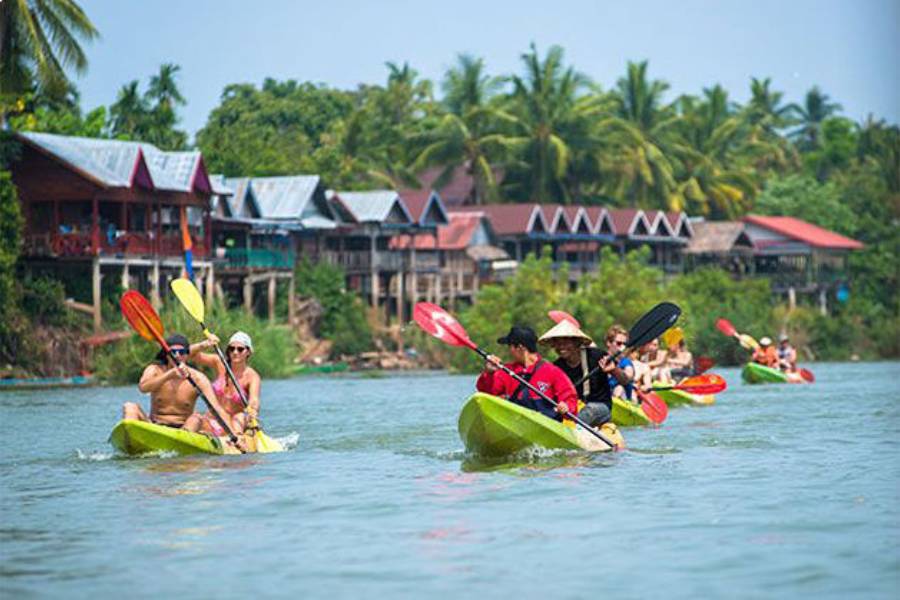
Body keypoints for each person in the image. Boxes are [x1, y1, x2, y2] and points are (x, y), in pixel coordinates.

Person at [122, 334, 245, 450]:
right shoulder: (154, 370)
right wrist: (169, 375)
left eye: (181, 352)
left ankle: (180, 447)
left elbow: (216, 408)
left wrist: (234, 436)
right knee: (130, 407)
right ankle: (130, 446)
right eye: (173, 352)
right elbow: (143, 388)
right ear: (166, 354)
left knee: (197, 418)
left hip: (183, 429)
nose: (177, 355)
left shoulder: (198, 378)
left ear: (187, 355)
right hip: (155, 425)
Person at [477, 326, 578, 422]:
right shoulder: (506, 371)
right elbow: (487, 393)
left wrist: (566, 406)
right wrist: (488, 373)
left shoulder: (552, 371)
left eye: (510, 346)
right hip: (516, 423)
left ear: (520, 347)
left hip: (546, 426)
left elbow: (570, 398)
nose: (509, 351)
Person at [538, 320, 618, 428]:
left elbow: (625, 380)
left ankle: (573, 431)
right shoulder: (556, 367)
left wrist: (614, 370)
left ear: (577, 342)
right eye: (558, 343)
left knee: (590, 410)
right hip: (572, 408)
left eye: (566, 342)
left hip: (600, 408)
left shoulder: (596, 356)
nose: (561, 347)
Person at [190, 331, 261, 437]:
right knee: (194, 418)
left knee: (240, 416)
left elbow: (254, 399)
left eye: (240, 349)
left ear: (248, 352)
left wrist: (253, 410)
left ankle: (238, 440)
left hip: (234, 425)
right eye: (232, 349)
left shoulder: (252, 376)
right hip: (212, 420)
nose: (235, 352)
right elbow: (189, 355)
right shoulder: (219, 362)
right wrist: (204, 344)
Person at [605, 325, 635, 400]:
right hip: (602, 401)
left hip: (621, 400)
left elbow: (628, 376)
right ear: (609, 343)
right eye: (619, 343)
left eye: (624, 344)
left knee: (619, 388)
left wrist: (614, 370)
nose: (622, 348)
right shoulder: (600, 359)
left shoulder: (626, 362)